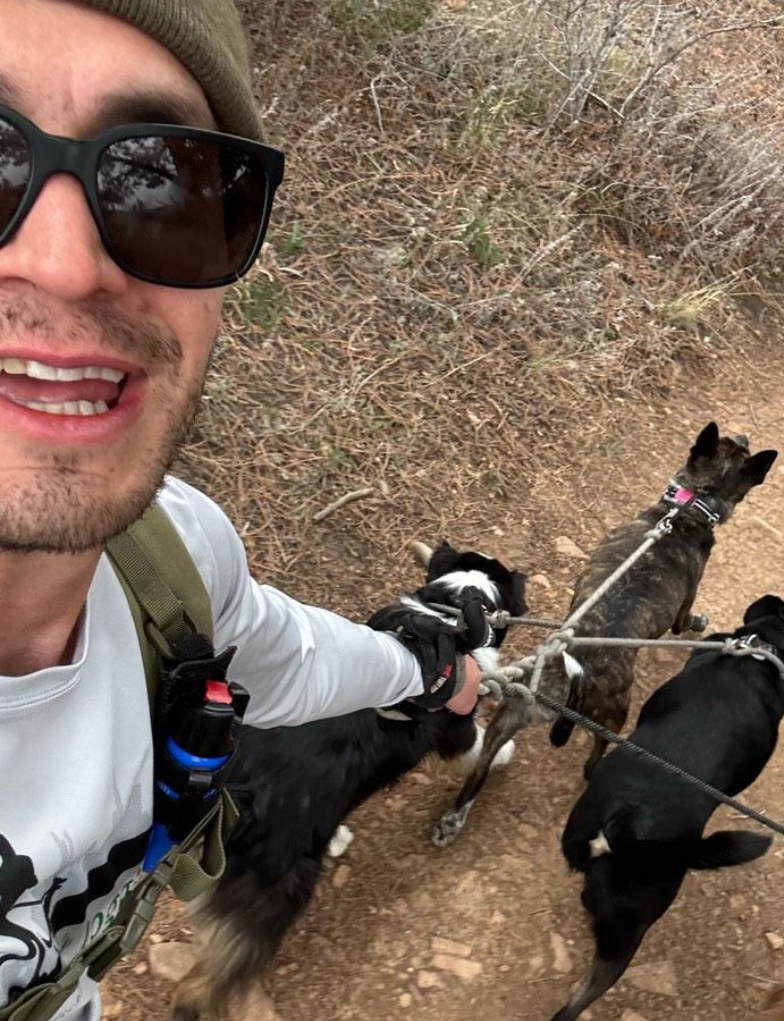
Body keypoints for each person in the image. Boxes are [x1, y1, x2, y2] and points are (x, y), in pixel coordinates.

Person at [0, 1, 482, 1016]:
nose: (68, 263)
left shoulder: (172, 558)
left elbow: (290, 654)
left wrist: (431, 669)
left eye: (162, 181)